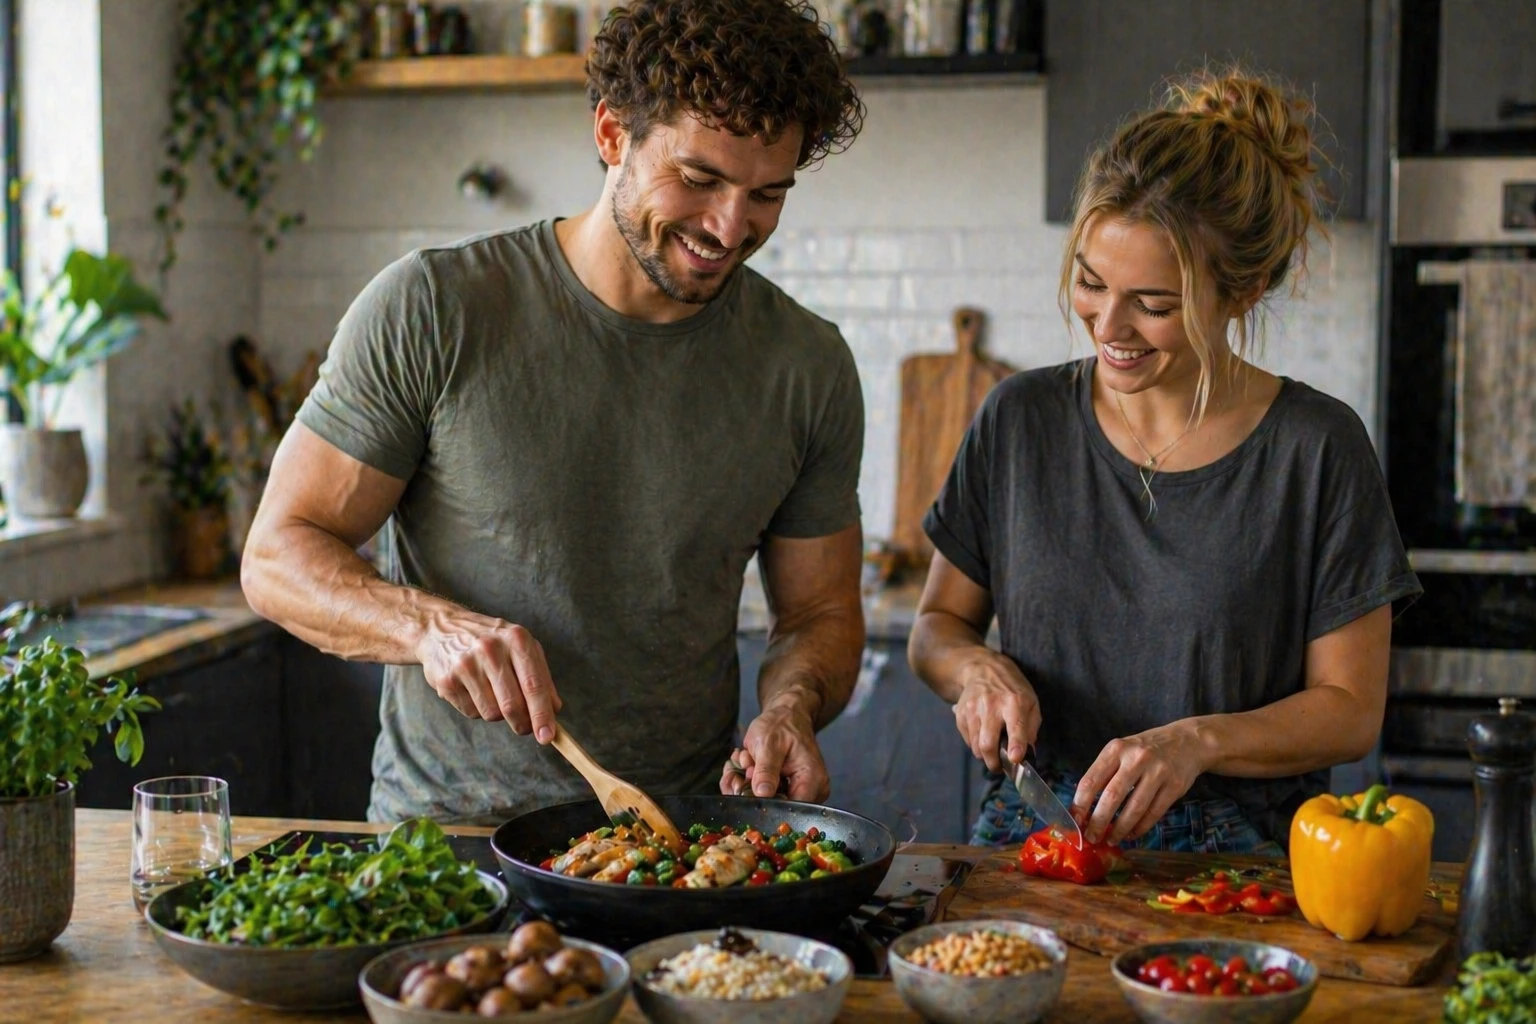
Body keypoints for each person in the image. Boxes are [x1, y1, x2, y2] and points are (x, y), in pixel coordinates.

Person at [240, 0, 869, 825]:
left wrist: (790, 706)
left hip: (673, 843)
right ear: (612, 134)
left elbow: (821, 614)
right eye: (700, 179)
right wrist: (431, 629)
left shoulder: (806, 364)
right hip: (450, 850)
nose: (729, 226)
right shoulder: (435, 308)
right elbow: (277, 557)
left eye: (766, 195)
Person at [908, 68, 1422, 854]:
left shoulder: (1316, 449)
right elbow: (937, 628)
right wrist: (976, 671)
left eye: (1154, 304)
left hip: (1243, 854)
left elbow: (1351, 708)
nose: (1108, 325)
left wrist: (1197, 743)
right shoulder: (1021, 420)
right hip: (1032, 832)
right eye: (1089, 282)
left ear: (1240, 292)